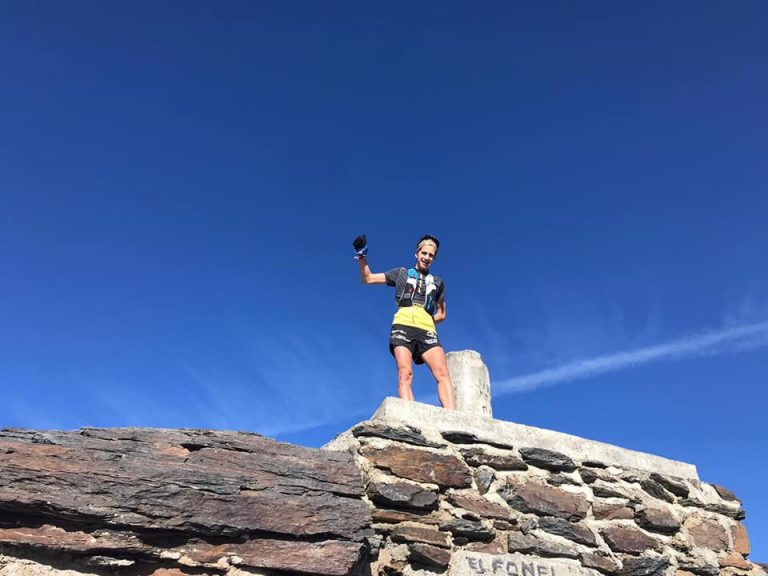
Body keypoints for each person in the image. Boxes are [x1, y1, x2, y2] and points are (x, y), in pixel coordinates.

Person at [354, 233, 456, 410]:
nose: (427, 258)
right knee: (405, 373)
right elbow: (368, 279)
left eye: (431, 255)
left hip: (427, 328)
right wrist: (362, 256)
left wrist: (428, 321)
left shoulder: (438, 282)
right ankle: (410, 418)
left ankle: (454, 418)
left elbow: (442, 314)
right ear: (417, 253)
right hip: (403, 324)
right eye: (424, 253)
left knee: (442, 373)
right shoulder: (401, 273)